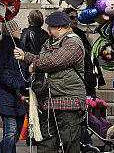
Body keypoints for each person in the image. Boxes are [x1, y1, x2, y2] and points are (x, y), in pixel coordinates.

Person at [14, 11, 86, 153]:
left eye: (50, 27)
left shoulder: (74, 42)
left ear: (59, 27)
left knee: (70, 142)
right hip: (48, 100)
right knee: (46, 143)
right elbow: (42, 59)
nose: (48, 30)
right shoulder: (49, 42)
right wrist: (26, 56)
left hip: (68, 100)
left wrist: (34, 66)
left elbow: (55, 61)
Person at [0, 19, 27, 153]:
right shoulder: (4, 46)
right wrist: (16, 85)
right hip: (7, 94)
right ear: (11, 30)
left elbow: (23, 67)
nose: (20, 30)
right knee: (10, 131)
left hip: (18, 94)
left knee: (17, 131)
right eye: (18, 28)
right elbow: (2, 71)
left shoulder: (20, 45)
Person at [63, 7, 105, 96]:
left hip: (87, 75)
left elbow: (90, 56)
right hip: (76, 79)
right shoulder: (66, 36)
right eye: (72, 17)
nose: (75, 19)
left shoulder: (80, 34)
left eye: (76, 17)